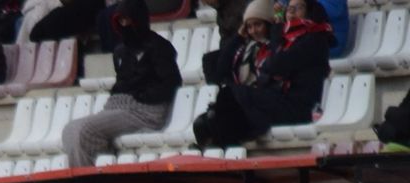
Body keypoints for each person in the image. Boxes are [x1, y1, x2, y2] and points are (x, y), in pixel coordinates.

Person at [60, 0, 183, 168]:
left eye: (128, 20)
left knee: (85, 130)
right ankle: (89, 171)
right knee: (69, 130)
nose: (124, 25)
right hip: (120, 106)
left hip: (146, 111)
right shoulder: (120, 51)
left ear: (138, 19)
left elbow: (171, 82)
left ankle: (91, 175)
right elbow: (122, 82)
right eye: (121, 21)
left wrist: (142, 95)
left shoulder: (159, 47)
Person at [195, 0, 332, 149]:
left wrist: (277, 29)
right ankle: (217, 147)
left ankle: (224, 148)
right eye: (290, 8)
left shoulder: (314, 40)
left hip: (297, 106)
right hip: (275, 100)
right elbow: (220, 72)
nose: (292, 12)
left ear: (309, 11)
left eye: (298, 7)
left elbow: (275, 65)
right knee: (206, 121)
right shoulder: (279, 40)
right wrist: (239, 38)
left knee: (229, 99)